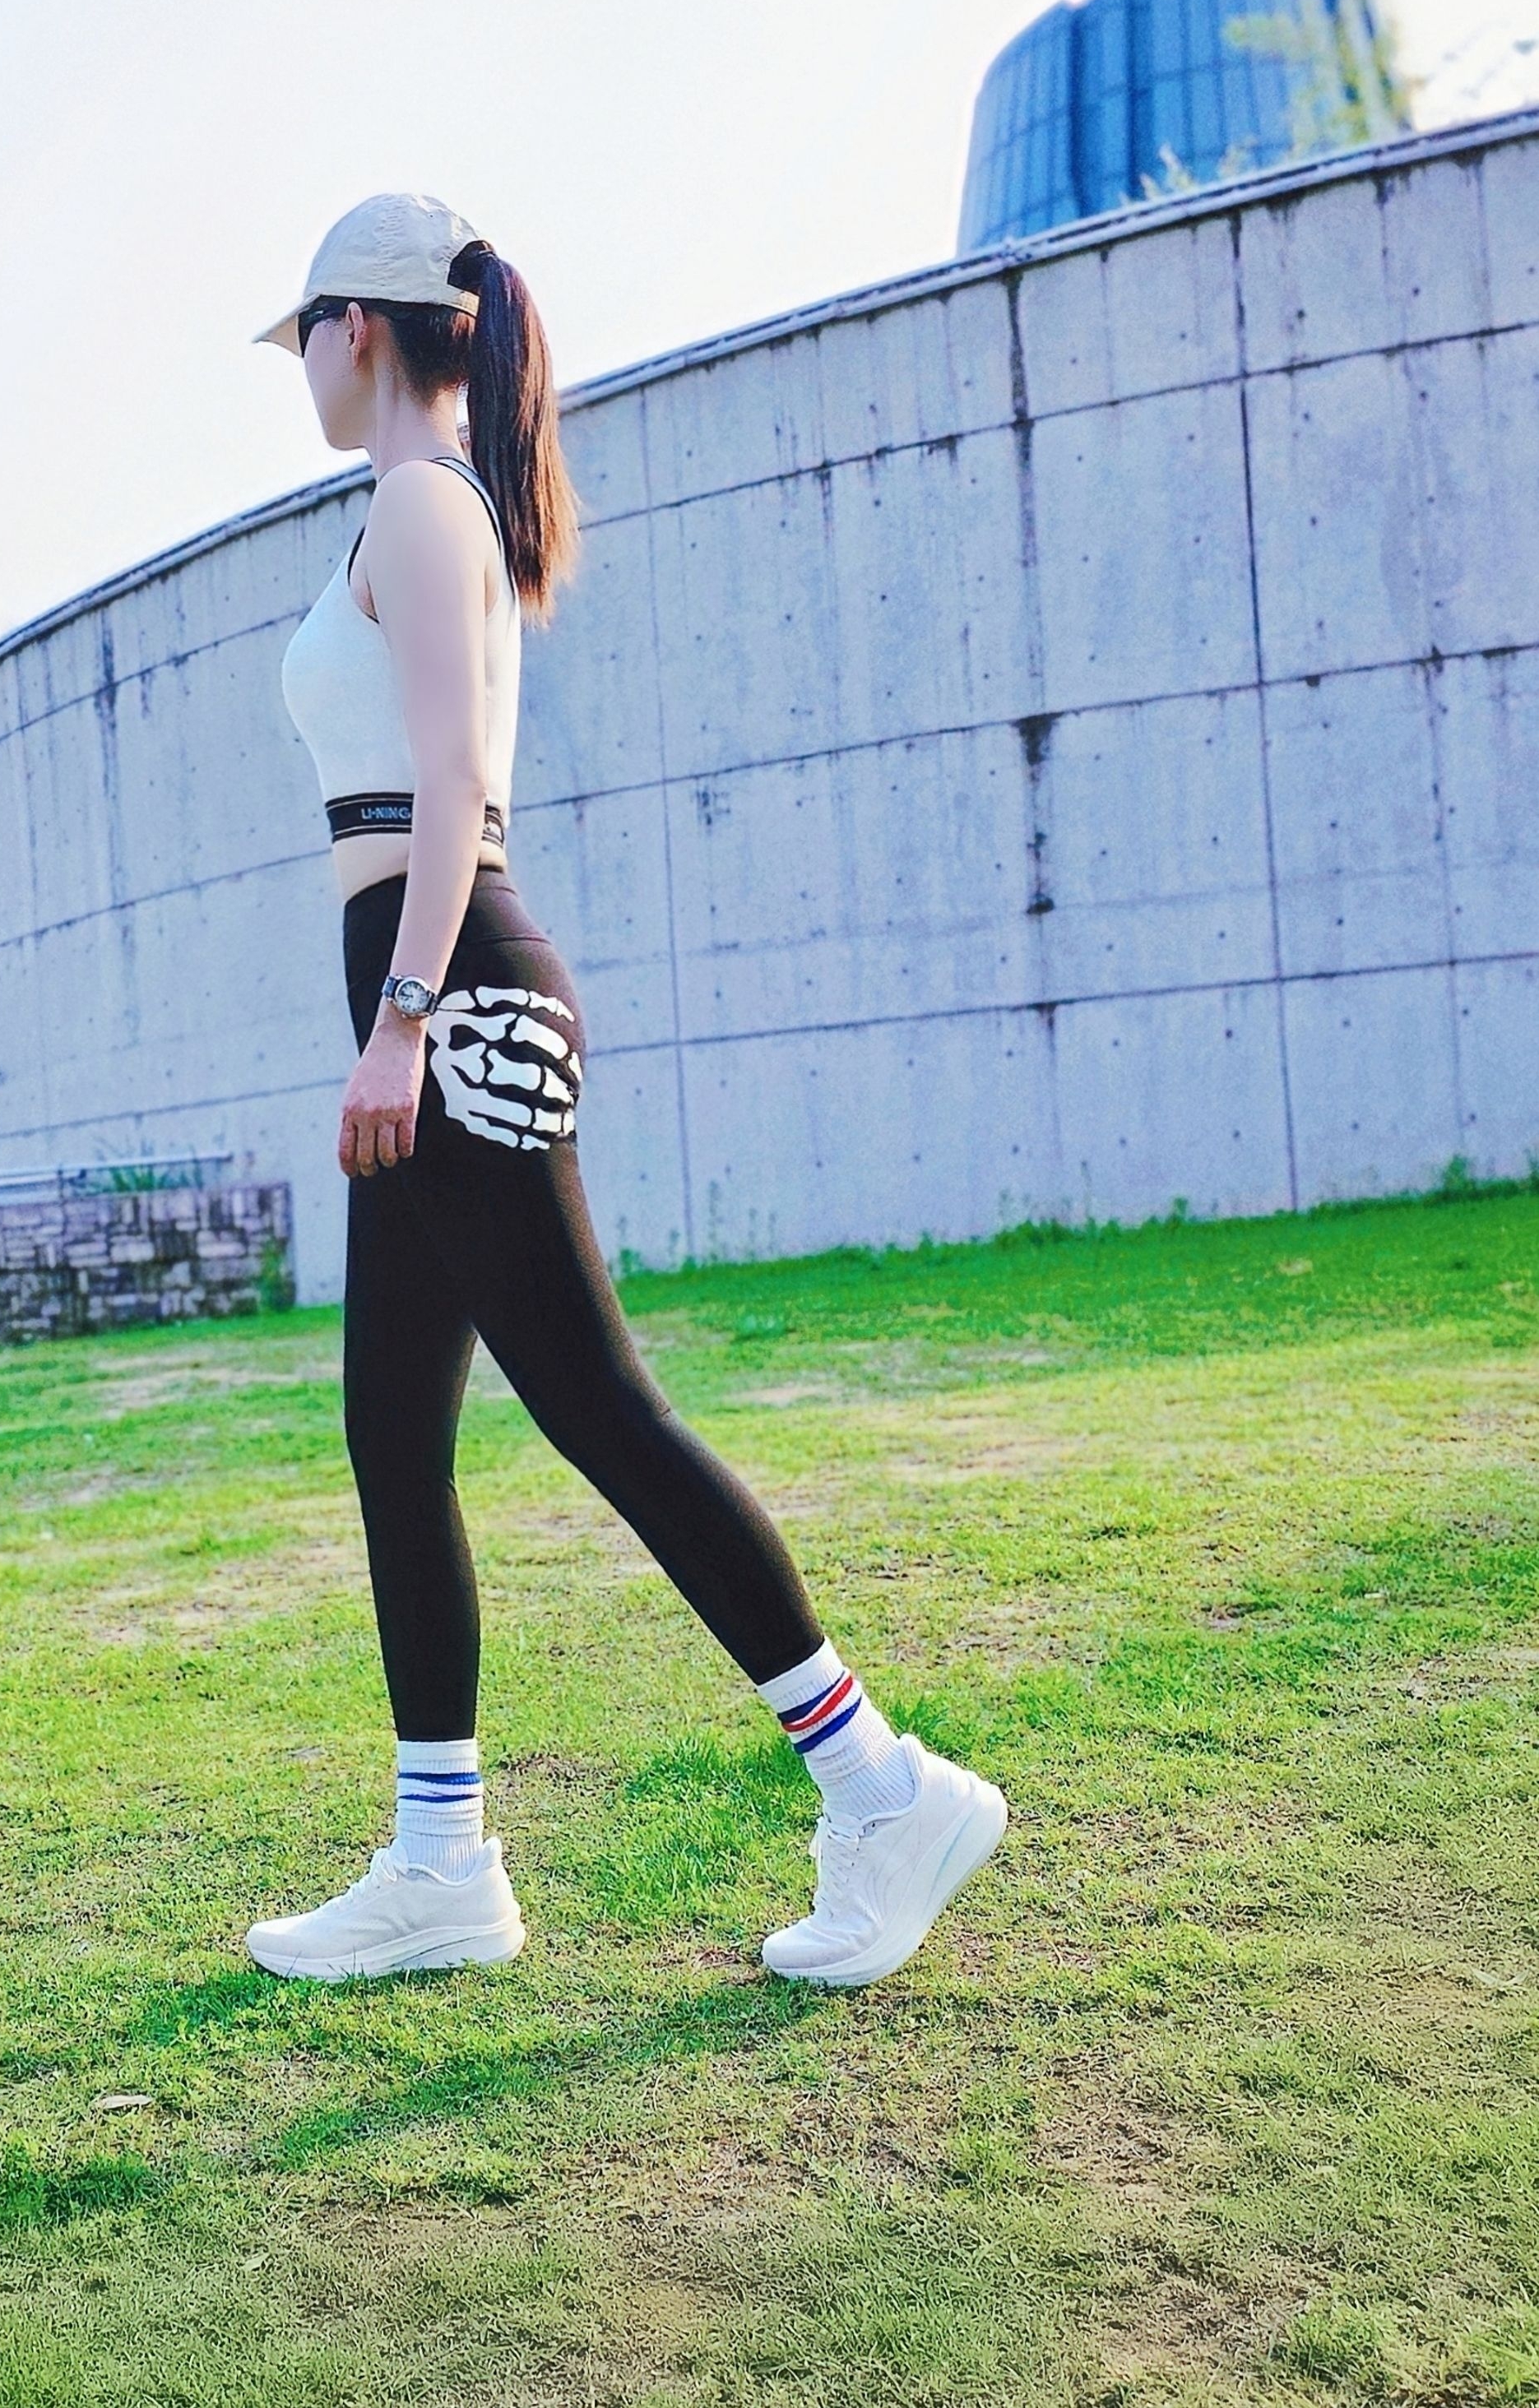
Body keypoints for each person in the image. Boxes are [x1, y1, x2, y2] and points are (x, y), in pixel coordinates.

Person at [243, 191, 1006, 1987]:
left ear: (361, 328)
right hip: (431, 992)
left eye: (305, 339)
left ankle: (882, 1787)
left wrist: (402, 1019)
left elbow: (452, 785)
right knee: (392, 1436)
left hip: (452, 996)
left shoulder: (420, 502)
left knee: (595, 1404)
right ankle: (442, 1865)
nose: (300, 372)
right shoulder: (423, 503)